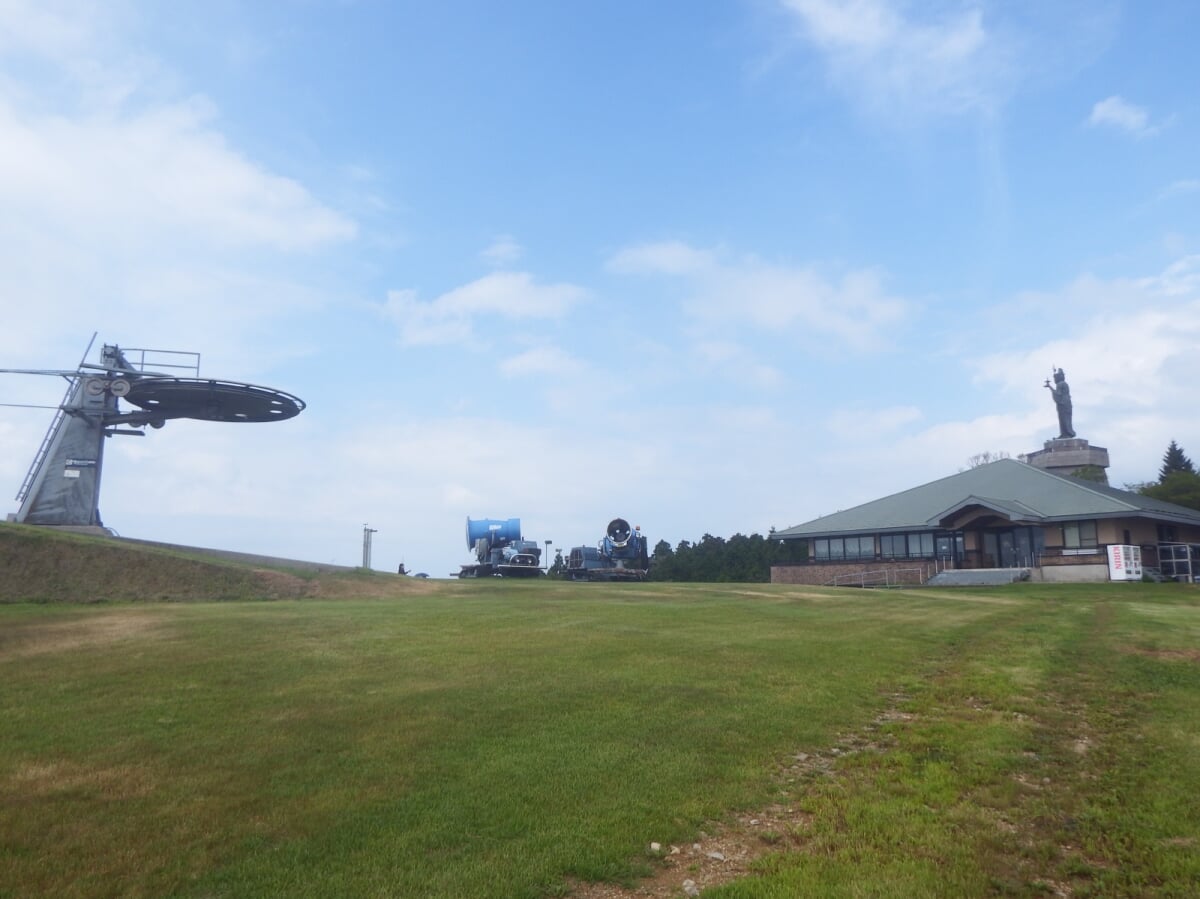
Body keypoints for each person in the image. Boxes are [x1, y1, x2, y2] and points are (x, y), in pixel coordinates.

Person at [1045, 368, 1075, 438]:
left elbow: (1058, 394)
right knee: (1066, 418)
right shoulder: (1064, 384)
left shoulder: (1060, 384)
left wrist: (1050, 387)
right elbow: (1058, 394)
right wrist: (1050, 387)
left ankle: (1066, 433)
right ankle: (1065, 433)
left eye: (1055, 378)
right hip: (1066, 403)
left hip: (1063, 403)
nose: (1055, 380)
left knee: (1064, 419)